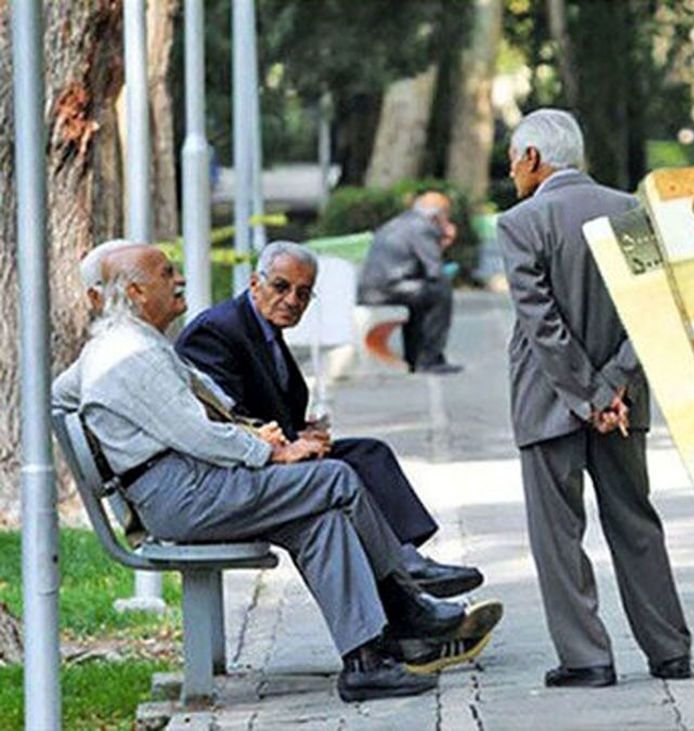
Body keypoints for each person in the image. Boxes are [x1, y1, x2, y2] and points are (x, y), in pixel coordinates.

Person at [54, 244, 501, 700]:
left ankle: (366, 662)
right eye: (167, 273)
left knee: (321, 521)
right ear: (135, 292)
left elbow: (58, 395)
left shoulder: (123, 345)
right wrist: (271, 454)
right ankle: (408, 604)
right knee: (336, 478)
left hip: (189, 486)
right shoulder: (130, 354)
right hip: (183, 494)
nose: (180, 279)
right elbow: (196, 434)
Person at [497, 109, 692, 688]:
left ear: (533, 158)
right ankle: (670, 651)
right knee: (636, 523)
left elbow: (541, 323)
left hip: (549, 400)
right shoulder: (629, 210)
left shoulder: (521, 223)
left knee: (558, 536)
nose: (511, 172)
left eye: (513, 160)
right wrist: (616, 385)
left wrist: (588, 396)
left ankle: (587, 658)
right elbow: (654, 307)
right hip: (624, 402)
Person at [175, 241, 483, 599]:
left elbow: (267, 403)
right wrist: (290, 444)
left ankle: (407, 560)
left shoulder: (264, 328)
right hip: (235, 469)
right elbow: (224, 416)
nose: (292, 300)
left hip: (275, 450)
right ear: (255, 283)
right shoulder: (217, 330)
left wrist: (304, 432)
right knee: (341, 478)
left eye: (304, 293)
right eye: (281, 287)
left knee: (370, 454)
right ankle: (403, 575)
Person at [358, 191, 461, 374]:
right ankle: (429, 359)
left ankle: (414, 358)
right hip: (391, 289)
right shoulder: (423, 227)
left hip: (374, 290)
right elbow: (435, 270)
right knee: (440, 291)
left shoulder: (399, 222)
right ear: (439, 215)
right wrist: (445, 238)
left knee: (422, 296)